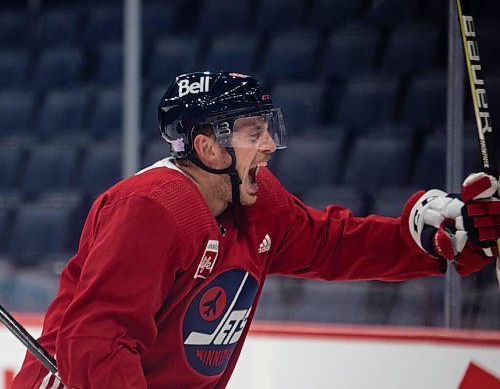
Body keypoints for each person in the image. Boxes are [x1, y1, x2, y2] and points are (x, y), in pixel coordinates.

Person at [12, 71, 499, 388]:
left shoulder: (258, 200)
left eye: (268, 128)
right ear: (208, 148)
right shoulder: (151, 209)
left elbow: (331, 245)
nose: (268, 145)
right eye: (252, 132)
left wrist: (428, 239)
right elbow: (99, 341)